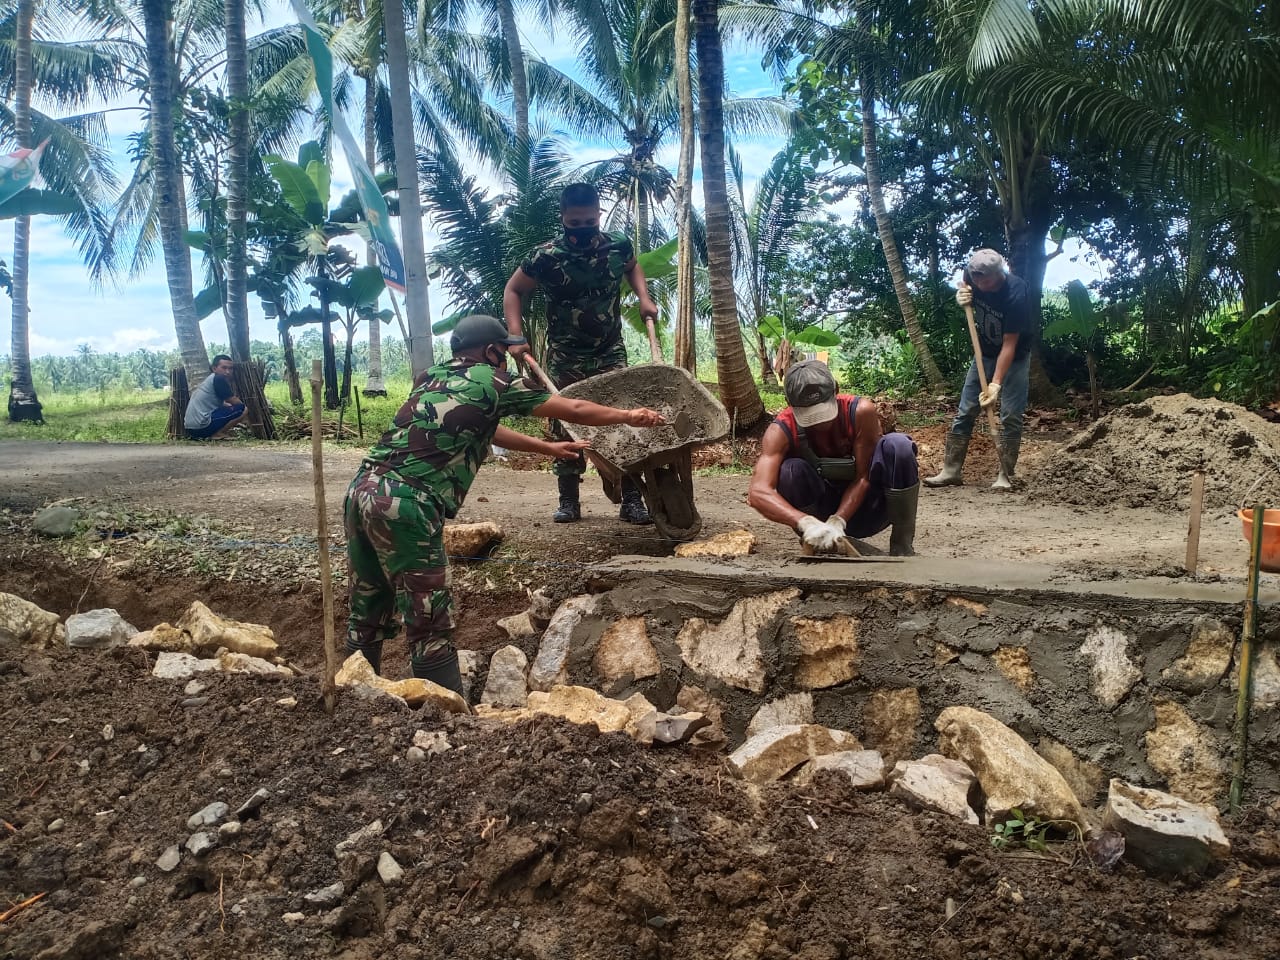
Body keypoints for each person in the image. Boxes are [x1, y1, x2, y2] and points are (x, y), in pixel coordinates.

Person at [343, 314, 665, 695]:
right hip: (406, 502)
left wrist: (546, 448)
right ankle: (442, 716)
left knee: (369, 601)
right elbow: (573, 409)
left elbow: (486, 427)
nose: (506, 357)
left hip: (362, 490)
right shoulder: (495, 381)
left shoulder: (431, 376)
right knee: (429, 615)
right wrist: (630, 416)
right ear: (492, 350)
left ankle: (353, 696)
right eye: (504, 350)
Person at [503, 182, 662, 525]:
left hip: (609, 350)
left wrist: (643, 297)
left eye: (588, 221)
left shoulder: (618, 245)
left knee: (624, 420)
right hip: (566, 355)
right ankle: (569, 499)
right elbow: (514, 289)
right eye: (574, 224)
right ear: (563, 219)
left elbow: (632, 266)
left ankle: (632, 500)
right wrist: (515, 334)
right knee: (564, 423)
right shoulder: (545, 256)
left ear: (598, 215)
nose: (581, 229)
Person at [748, 360, 919, 556]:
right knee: (790, 470)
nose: (820, 422)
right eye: (809, 414)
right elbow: (758, 492)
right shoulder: (781, 430)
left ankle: (902, 547)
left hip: (870, 509)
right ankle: (820, 543)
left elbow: (863, 477)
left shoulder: (861, 411)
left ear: (836, 390)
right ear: (789, 404)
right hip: (819, 516)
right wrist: (806, 522)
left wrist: (839, 520)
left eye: (823, 410)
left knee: (899, 446)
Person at [925, 248, 1032, 491]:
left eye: (986, 280)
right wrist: (960, 294)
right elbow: (963, 284)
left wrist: (995, 384)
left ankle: (1006, 473)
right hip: (983, 352)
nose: (980, 283)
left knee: (1010, 415)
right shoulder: (972, 274)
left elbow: (1009, 344)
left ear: (999, 274)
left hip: (1015, 355)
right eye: (977, 279)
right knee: (965, 410)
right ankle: (951, 470)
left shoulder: (1016, 292)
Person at [184, 355, 248, 440]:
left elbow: (220, 403)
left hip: (191, 429)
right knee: (242, 408)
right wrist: (245, 415)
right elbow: (233, 400)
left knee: (229, 407)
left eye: (230, 368)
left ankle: (214, 433)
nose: (228, 372)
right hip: (202, 426)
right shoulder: (219, 379)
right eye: (224, 368)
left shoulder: (210, 379)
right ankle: (219, 434)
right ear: (214, 368)